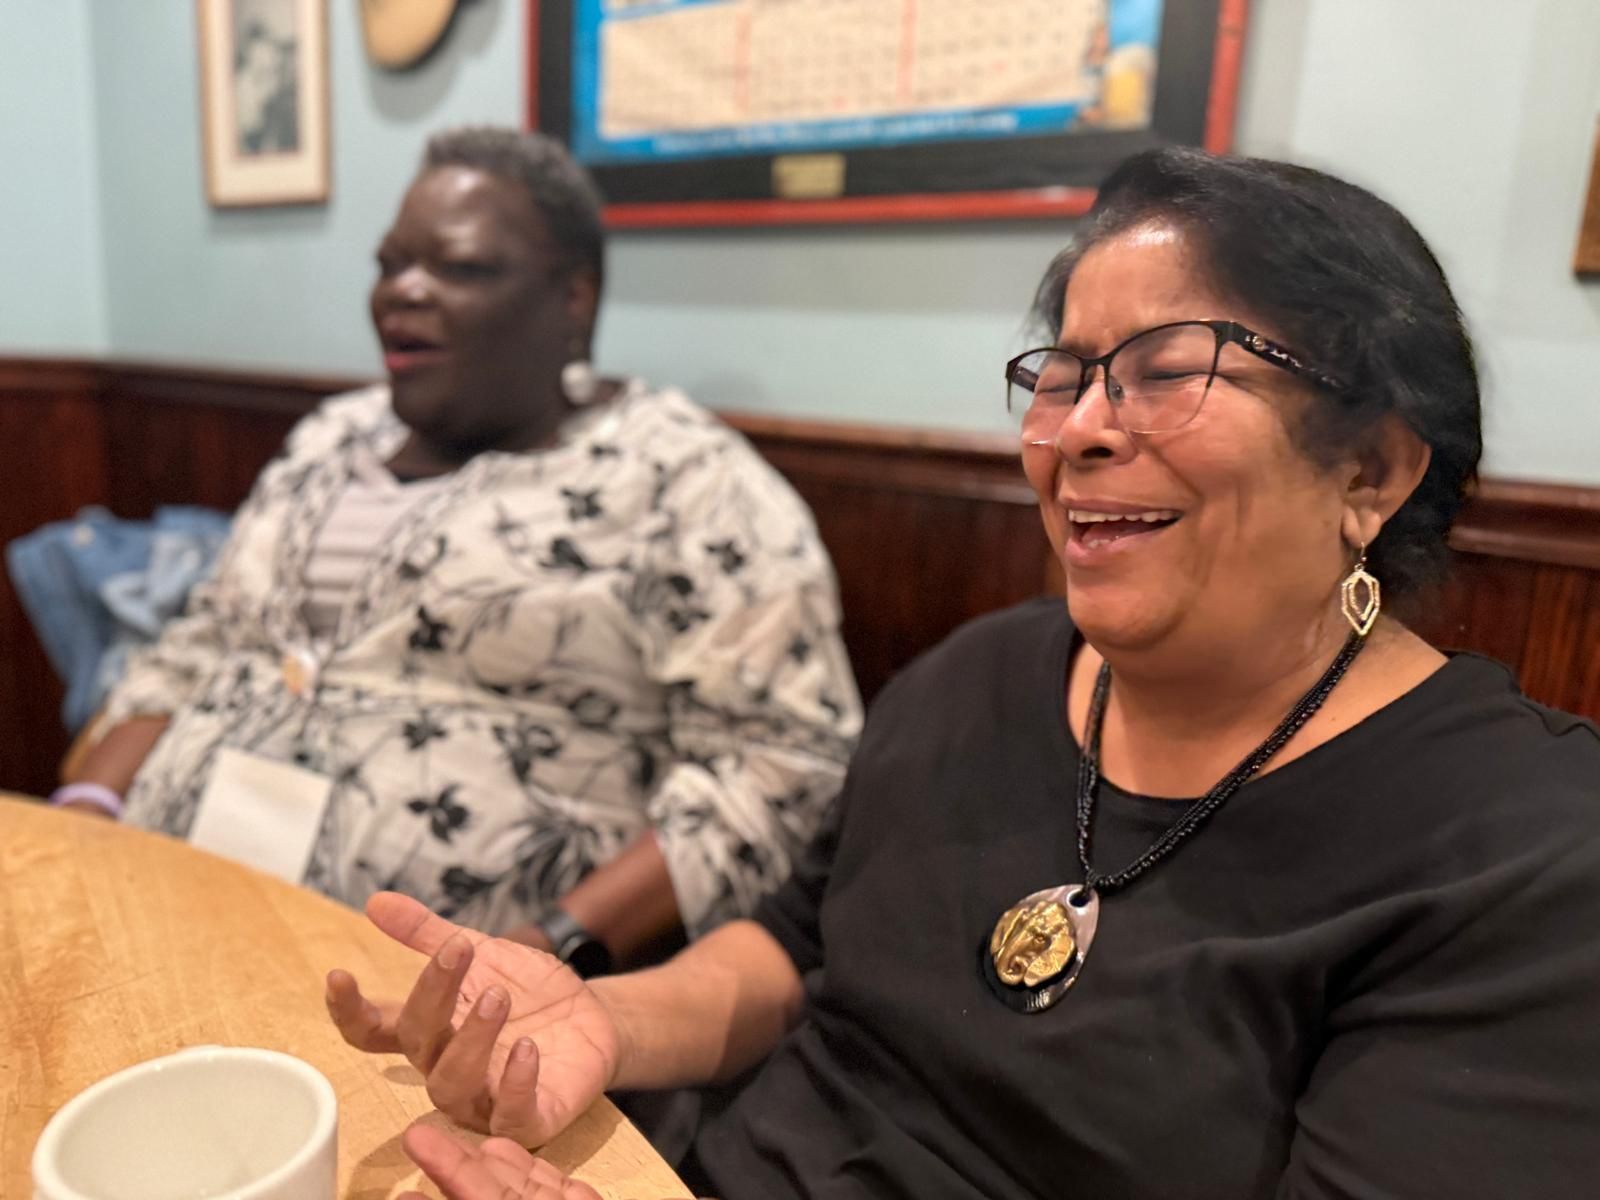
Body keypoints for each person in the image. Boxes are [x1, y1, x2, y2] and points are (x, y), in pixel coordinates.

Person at [327, 146, 1600, 1199]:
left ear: (1371, 471)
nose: (1079, 430)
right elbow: (795, 951)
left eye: (1166, 371)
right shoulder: (982, 673)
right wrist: (599, 1021)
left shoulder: (1527, 856)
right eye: (1065, 374)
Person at [57, 127, 861, 967]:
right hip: (153, 907)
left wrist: (542, 953)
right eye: (390, 264)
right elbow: (200, 644)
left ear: (574, 299)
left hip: (436, 987)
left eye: (461, 267)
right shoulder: (332, 436)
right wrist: (84, 815)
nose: (402, 291)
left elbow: (781, 767)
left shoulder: (684, 481)